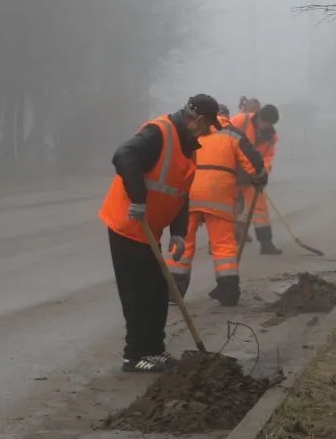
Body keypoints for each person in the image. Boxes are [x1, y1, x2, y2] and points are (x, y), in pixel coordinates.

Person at [99, 94, 221, 373]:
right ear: (198, 120)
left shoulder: (188, 146)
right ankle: (136, 355)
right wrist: (138, 199)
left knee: (157, 291)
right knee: (139, 294)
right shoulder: (158, 133)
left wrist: (178, 233)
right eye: (208, 125)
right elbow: (123, 155)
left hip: (149, 231)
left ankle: (155, 350)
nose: (208, 132)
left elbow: (180, 193)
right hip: (127, 226)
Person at [166, 113, 267, 306]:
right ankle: (228, 292)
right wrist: (260, 177)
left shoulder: (188, 130)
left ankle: (174, 290)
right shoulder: (232, 134)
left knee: (183, 240)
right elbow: (253, 162)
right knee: (223, 245)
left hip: (188, 191)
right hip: (218, 196)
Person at [231, 102, 282, 254]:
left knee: (260, 208)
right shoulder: (240, 121)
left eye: (269, 124)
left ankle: (266, 243)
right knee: (228, 206)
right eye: (264, 121)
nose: (266, 125)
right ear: (259, 117)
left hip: (252, 175)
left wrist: (263, 174)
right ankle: (225, 240)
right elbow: (223, 141)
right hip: (231, 170)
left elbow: (267, 158)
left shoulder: (271, 138)